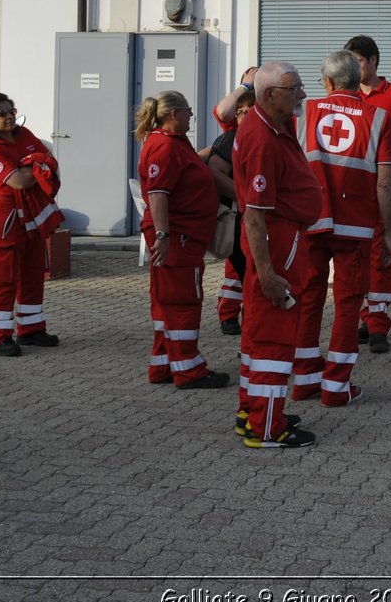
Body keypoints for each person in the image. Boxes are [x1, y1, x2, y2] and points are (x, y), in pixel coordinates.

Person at [233, 62, 322, 448]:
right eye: (294, 88)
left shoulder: (269, 125)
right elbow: (254, 215)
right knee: (274, 334)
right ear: (269, 95)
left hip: (278, 239)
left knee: (258, 333)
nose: (302, 94)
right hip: (277, 243)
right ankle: (268, 427)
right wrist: (268, 274)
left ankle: (252, 411)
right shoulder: (263, 138)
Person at [297, 51, 391, 398]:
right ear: (359, 78)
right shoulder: (379, 117)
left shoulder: (305, 112)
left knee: (309, 298)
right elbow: (385, 183)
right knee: (348, 303)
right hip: (355, 226)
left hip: (311, 221)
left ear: (327, 82)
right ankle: (336, 386)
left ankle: (305, 380)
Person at [135, 90, 227, 389]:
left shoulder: (174, 142)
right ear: (174, 114)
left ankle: (163, 365)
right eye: (188, 110)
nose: (191, 115)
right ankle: (189, 370)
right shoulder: (163, 146)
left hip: (180, 235)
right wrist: (163, 235)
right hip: (177, 237)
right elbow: (158, 193)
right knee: (183, 302)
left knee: (166, 302)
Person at [0, 92, 62, 355]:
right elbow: (20, 181)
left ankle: (31, 329)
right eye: (1, 112)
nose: (9, 116)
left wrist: (33, 164)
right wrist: (36, 165)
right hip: (7, 215)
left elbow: (50, 160)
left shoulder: (24, 134)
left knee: (34, 272)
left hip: (31, 212)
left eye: (11, 110)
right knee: (4, 279)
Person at [344, 36, 391, 339]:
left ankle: (378, 326)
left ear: (374, 61)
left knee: (383, 256)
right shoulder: (346, 96)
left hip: (382, 193)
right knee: (356, 259)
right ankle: (365, 317)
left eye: (358, 60)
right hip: (352, 194)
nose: (354, 67)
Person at [207, 87, 254, 335]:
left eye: (249, 111)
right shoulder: (229, 139)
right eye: (240, 112)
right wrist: (246, 197)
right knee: (241, 272)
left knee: (248, 274)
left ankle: (251, 326)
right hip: (237, 216)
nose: (244, 117)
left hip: (256, 217)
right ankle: (231, 316)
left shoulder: (264, 136)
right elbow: (214, 173)